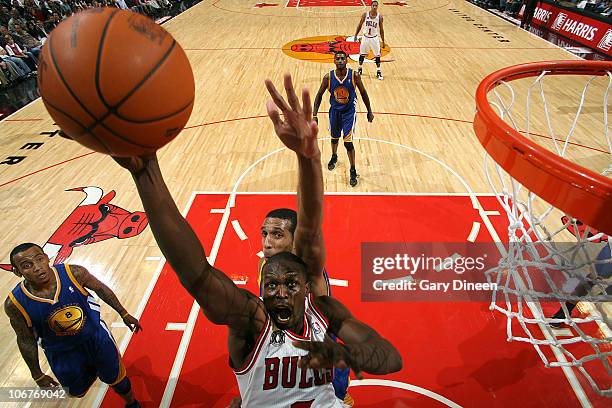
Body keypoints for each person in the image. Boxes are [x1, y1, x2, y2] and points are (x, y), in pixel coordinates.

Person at [104, 74, 401, 406]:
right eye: (271, 285)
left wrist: (309, 156)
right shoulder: (251, 321)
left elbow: (390, 357)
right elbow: (197, 274)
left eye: (290, 284)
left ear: (306, 286)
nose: (279, 291)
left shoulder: (323, 308)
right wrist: (146, 174)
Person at [4, 243, 142, 407]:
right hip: (62, 353)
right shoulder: (15, 304)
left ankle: (132, 403)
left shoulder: (73, 273)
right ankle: (93, 371)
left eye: (39, 259)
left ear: (47, 258)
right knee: (76, 392)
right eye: (27, 266)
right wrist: (37, 374)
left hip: (96, 338)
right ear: (17, 272)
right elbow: (25, 340)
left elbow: (101, 288)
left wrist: (123, 313)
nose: (37, 267)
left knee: (119, 381)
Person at [313, 50, 374, 187]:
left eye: (342, 58)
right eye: (338, 59)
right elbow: (318, 95)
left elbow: (364, 93)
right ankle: (334, 156)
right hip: (334, 112)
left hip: (349, 113)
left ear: (346, 60)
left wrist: (369, 110)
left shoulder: (354, 76)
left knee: (348, 143)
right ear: (334, 61)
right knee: (334, 138)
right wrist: (314, 115)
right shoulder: (328, 77)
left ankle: (353, 170)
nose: (340, 61)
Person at [353, 0, 385, 80]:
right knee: (362, 54)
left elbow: (381, 29)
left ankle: (378, 72)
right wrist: (356, 35)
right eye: (373, 5)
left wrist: (383, 41)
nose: (374, 7)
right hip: (365, 38)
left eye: (376, 6)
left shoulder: (380, 17)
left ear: (377, 7)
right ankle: (360, 69)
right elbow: (359, 25)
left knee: (377, 55)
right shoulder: (365, 14)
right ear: (371, 6)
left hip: (374, 38)